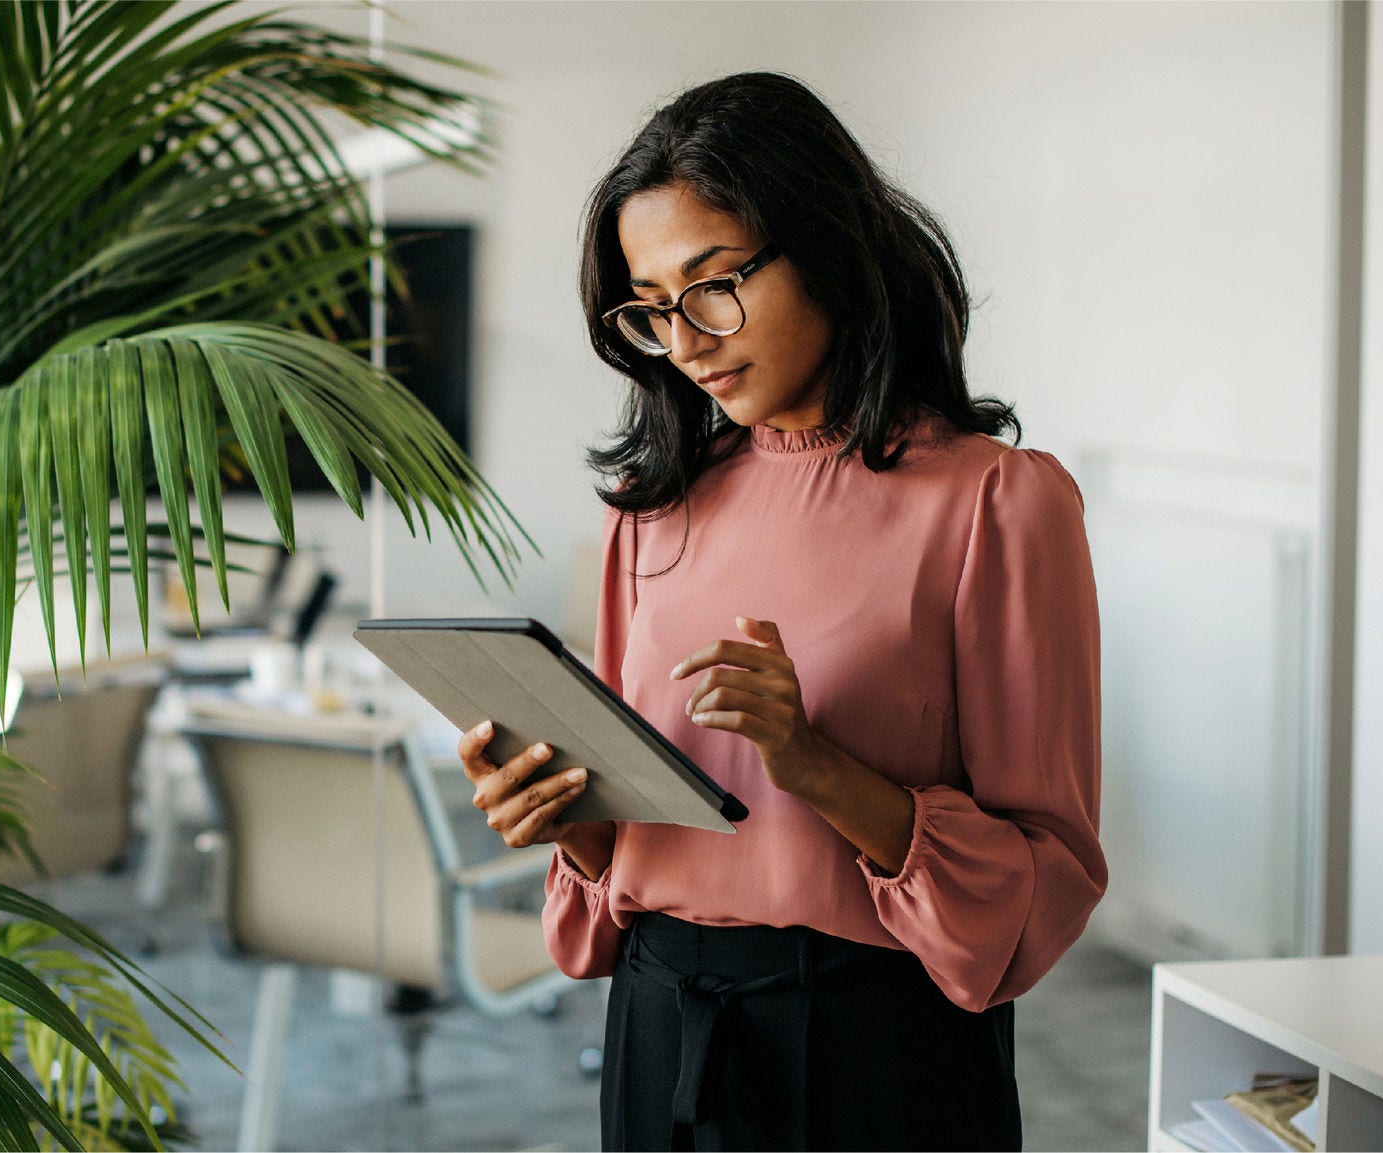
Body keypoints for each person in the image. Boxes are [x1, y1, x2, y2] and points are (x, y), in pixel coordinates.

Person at [457, 72, 1107, 1152]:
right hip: (661, 1022)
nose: (688, 338)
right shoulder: (649, 510)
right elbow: (633, 845)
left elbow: (1046, 879)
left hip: (875, 1048)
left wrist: (816, 765)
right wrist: (565, 825)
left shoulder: (997, 500)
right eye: (650, 308)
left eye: (713, 284)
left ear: (825, 246)